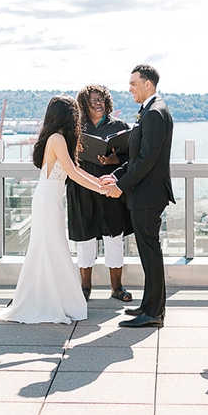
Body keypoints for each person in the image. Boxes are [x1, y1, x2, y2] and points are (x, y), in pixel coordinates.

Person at [0, 96, 110, 325]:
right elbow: (74, 174)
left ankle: (51, 300)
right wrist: (102, 190)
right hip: (48, 200)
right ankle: (55, 302)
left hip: (49, 199)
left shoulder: (56, 138)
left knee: (50, 249)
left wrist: (101, 183)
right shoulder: (57, 138)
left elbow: (74, 169)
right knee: (53, 248)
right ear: (69, 116)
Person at [103, 64, 175, 329]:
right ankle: (149, 306)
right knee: (148, 253)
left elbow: (146, 160)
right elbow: (136, 157)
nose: (129, 88)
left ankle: (154, 312)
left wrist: (120, 186)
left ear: (148, 84)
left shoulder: (156, 113)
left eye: (133, 83)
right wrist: (116, 175)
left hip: (148, 195)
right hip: (144, 194)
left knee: (151, 253)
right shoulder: (151, 111)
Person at [68, 84, 133, 303]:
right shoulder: (76, 128)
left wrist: (115, 159)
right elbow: (64, 156)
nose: (98, 103)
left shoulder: (120, 126)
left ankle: (117, 287)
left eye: (101, 99)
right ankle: (85, 288)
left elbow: (132, 158)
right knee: (85, 237)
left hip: (109, 187)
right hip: (82, 187)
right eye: (93, 100)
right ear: (84, 104)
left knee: (113, 236)